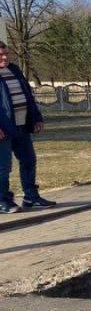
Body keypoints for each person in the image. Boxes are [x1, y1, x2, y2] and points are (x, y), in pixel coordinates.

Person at [0, 40, 55, 213]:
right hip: (4, 129)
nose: (5, 57)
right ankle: (3, 200)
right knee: (3, 166)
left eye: (6, 53)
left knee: (29, 160)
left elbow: (28, 96)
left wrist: (36, 118)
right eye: (1, 55)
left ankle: (31, 197)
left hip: (22, 125)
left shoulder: (15, 70)